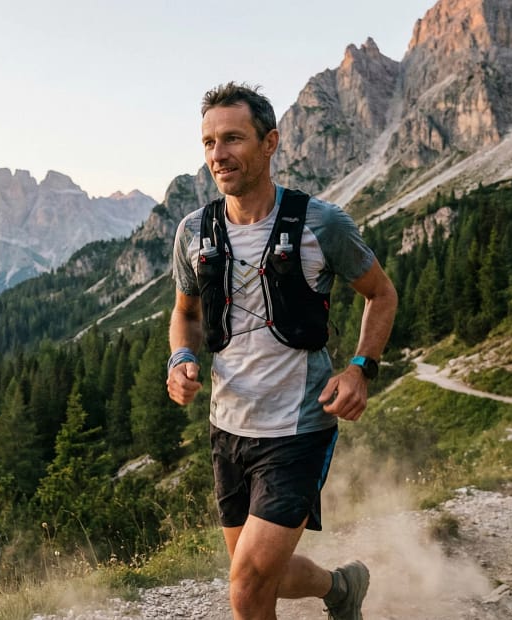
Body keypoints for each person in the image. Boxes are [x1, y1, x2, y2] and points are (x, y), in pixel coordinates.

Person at [166, 82, 398, 620]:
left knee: (247, 585)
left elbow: (381, 294)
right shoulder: (193, 231)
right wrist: (181, 358)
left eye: (232, 139)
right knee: (256, 575)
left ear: (270, 143)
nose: (217, 155)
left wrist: (361, 368)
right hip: (228, 429)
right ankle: (341, 588)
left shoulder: (321, 223)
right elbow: (187, 313)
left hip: (298, 430)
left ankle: (339, 590)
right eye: (207, 143)